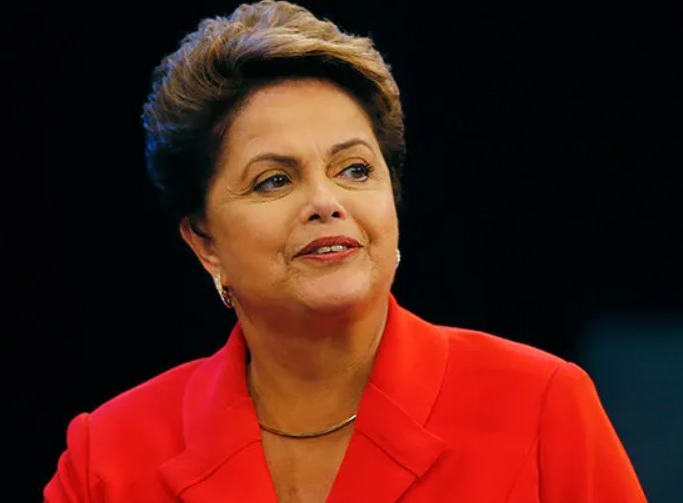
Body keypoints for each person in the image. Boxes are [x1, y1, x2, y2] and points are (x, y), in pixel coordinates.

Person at [43, 1, 647, 501]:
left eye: (355, 169)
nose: (325, 202)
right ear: (205, 243)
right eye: (274, 181)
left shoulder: (539, 406)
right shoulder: (109, 458)